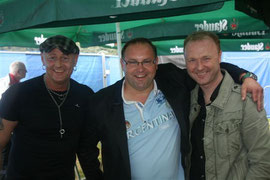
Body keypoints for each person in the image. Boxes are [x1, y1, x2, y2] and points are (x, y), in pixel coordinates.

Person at [83, 37, 263, 180]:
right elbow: (86, 150)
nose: (140, 69)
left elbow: (206, 69)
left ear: (156, 63)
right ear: (123, 64)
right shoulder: (101, 102)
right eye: (132, 62)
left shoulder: (172, 81)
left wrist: (244, 75)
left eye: (146, 61)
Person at [0, 35, 102, 179]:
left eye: (65, 58)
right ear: (43, 59)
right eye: (52, 58)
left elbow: (86, 148)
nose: (58, 64)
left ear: (75, 59)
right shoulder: (18, 94)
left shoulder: (85, 95)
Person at [184, 31, 270, 179]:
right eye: (192, 60)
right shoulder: (186, 98)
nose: (199, 67)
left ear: (219, 56)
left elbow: (263, 162)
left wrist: (247, 76)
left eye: (206, 58)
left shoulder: (245, 101)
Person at [0, 61, 27, 180]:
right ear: (18, 72)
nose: (26, 73)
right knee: (5, 145)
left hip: (11, 121)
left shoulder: (16, 83)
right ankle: (4, 170)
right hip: (4, 121)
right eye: (24, 71)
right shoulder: (6, 84)